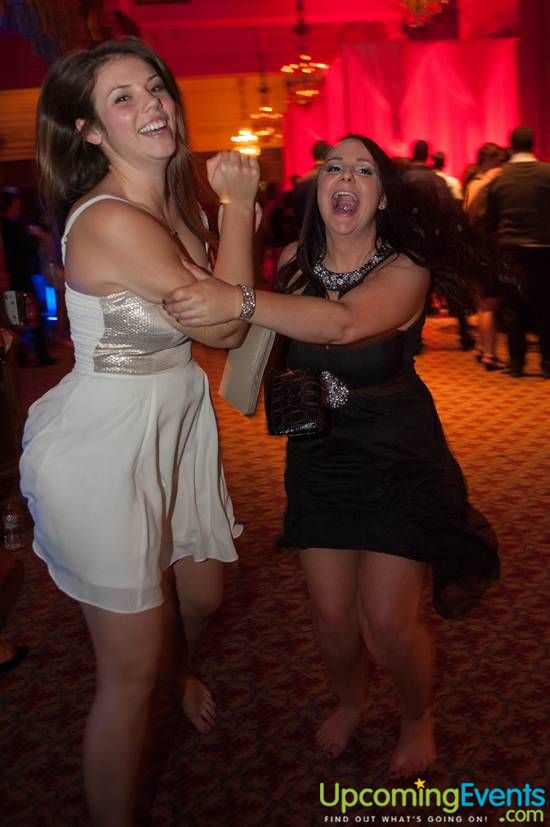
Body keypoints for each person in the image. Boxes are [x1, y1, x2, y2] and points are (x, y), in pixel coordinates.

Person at [164, 135, 500, 777]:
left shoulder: (406, 268)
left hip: (397, 457)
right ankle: (351, 701)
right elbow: (244, 325)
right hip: (319, 456)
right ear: (320, 189)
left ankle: (417, 716)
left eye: (364, 170)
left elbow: (342, 322)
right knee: (331, 616)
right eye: (334, 168)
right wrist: (234, 220)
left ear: (381, 197)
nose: (346, 178)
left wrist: (240, 300)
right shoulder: (294, 260)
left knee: (387, 624)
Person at [19, 37, 259, 826]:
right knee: (127, 673)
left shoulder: (171, 203)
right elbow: (225, 326)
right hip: (106, 444)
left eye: (154, 86)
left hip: (175, 421)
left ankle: (177, 673)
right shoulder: (111, 219)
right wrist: (239, 208)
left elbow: (219, 307)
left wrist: (220, 218)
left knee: (202, 591)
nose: (152, 103)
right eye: (122, 97)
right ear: (89, 131)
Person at [485, 126, 550, 378]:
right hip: (544, 250)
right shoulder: (547, 173)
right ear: (534, 145)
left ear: (511, 147)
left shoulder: (500, 178)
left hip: (510, 251)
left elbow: (490, 221)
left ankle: (516, 362)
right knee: (546, 306)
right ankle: (547, 362)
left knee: (513, 307)